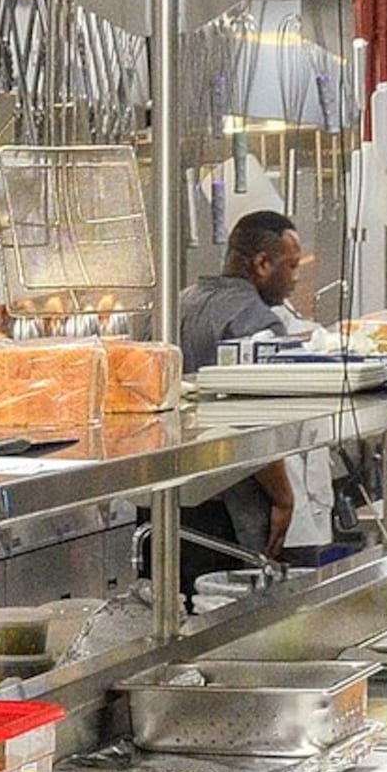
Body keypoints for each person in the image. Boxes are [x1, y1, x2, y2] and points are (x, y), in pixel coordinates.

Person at [167, 210, 303, 582]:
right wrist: (283, 497)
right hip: (230, 511)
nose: (295, 278)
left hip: (166, 507)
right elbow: (253, 421)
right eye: (291, 267)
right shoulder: (257, 323)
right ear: (262, 263)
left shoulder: (173, 306)